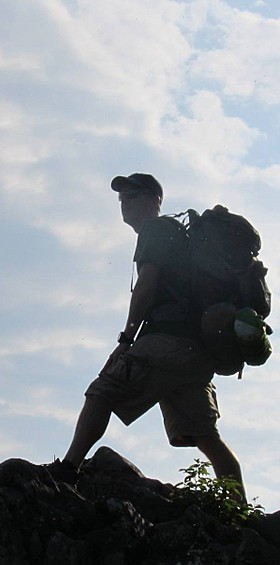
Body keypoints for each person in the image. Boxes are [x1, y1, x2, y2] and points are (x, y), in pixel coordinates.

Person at [51, 173, 245, 499]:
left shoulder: (157, 230)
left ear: (155, 199)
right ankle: (240, 510)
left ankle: (68, 469)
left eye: (132, 195)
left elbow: (147, 284)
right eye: (122, 197)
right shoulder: (181, 238)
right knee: (206, 435)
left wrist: (127, 339)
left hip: (167, 341)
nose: (124, 202)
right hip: (196, 353)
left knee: (102, 392)